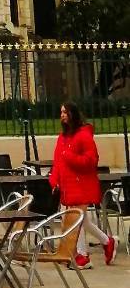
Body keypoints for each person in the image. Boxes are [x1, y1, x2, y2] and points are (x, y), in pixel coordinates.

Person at [48, 101, 115, 267]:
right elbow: (57, 162)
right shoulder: (62, 138)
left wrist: (71, 158)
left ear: (73, 115)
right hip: (68, 186)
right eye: (61, 112)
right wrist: (54, 180)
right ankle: (107, 242)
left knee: (77, 220)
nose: (62, 115)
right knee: (81, 220)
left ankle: (82, 255)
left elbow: (91, 161)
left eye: (65, 112)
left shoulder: (84, 136)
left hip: (81, 185)